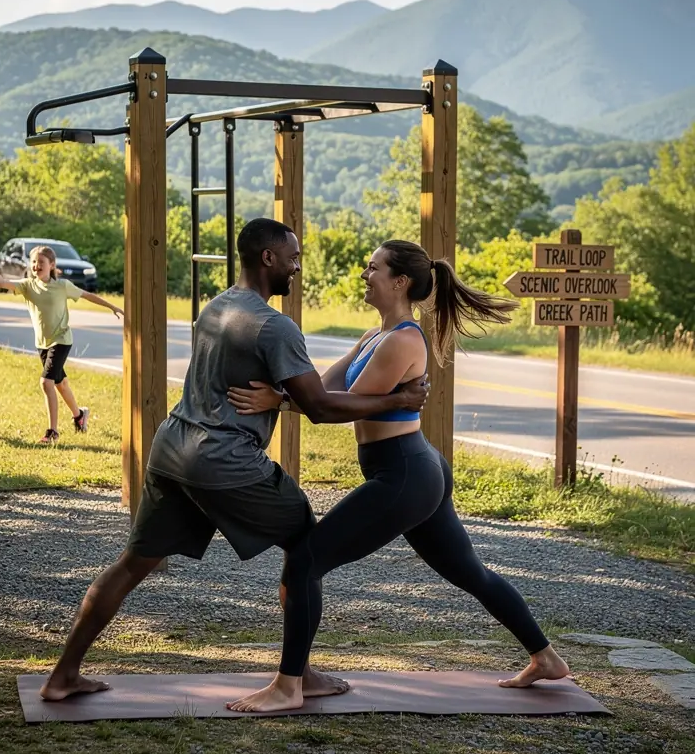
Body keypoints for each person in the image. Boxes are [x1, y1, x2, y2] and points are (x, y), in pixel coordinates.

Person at [39, 218, 429, 702]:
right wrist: (399, 400)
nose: (297, 267)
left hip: (172, 450)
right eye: (292, 258)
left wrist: (283, 398)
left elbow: (301, 394)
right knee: (305, 544)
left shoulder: (217, 307)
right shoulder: (275, 326)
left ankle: (63, 676)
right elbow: (321, 407)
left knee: (133, 563)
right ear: (268, 259)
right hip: (223, 459)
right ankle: (299, 676)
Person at [225, 239, 570, 712]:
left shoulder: (404, 340)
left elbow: (340, 408)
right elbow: (325, 388)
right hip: (414, 469)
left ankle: (289, 685)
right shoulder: (375, 335)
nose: (365, 275)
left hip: (404, 474)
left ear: (399, 281)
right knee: (470, 573)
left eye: (373, 268)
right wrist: (287, 394)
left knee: (305, 561)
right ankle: (545, 658)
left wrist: (279, 402)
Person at [0, 245, 123, 444]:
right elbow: (0, 281)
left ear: (52, 265)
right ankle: (80, 415)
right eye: (34, 262)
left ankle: (52, 432)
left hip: (61, 339)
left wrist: (112, 306)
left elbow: (88, 295)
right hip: (42, 344)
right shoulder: (28, 285)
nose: (36, 265)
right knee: (61, 384)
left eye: (41, 262)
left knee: (46, 382)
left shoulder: (62, 286)